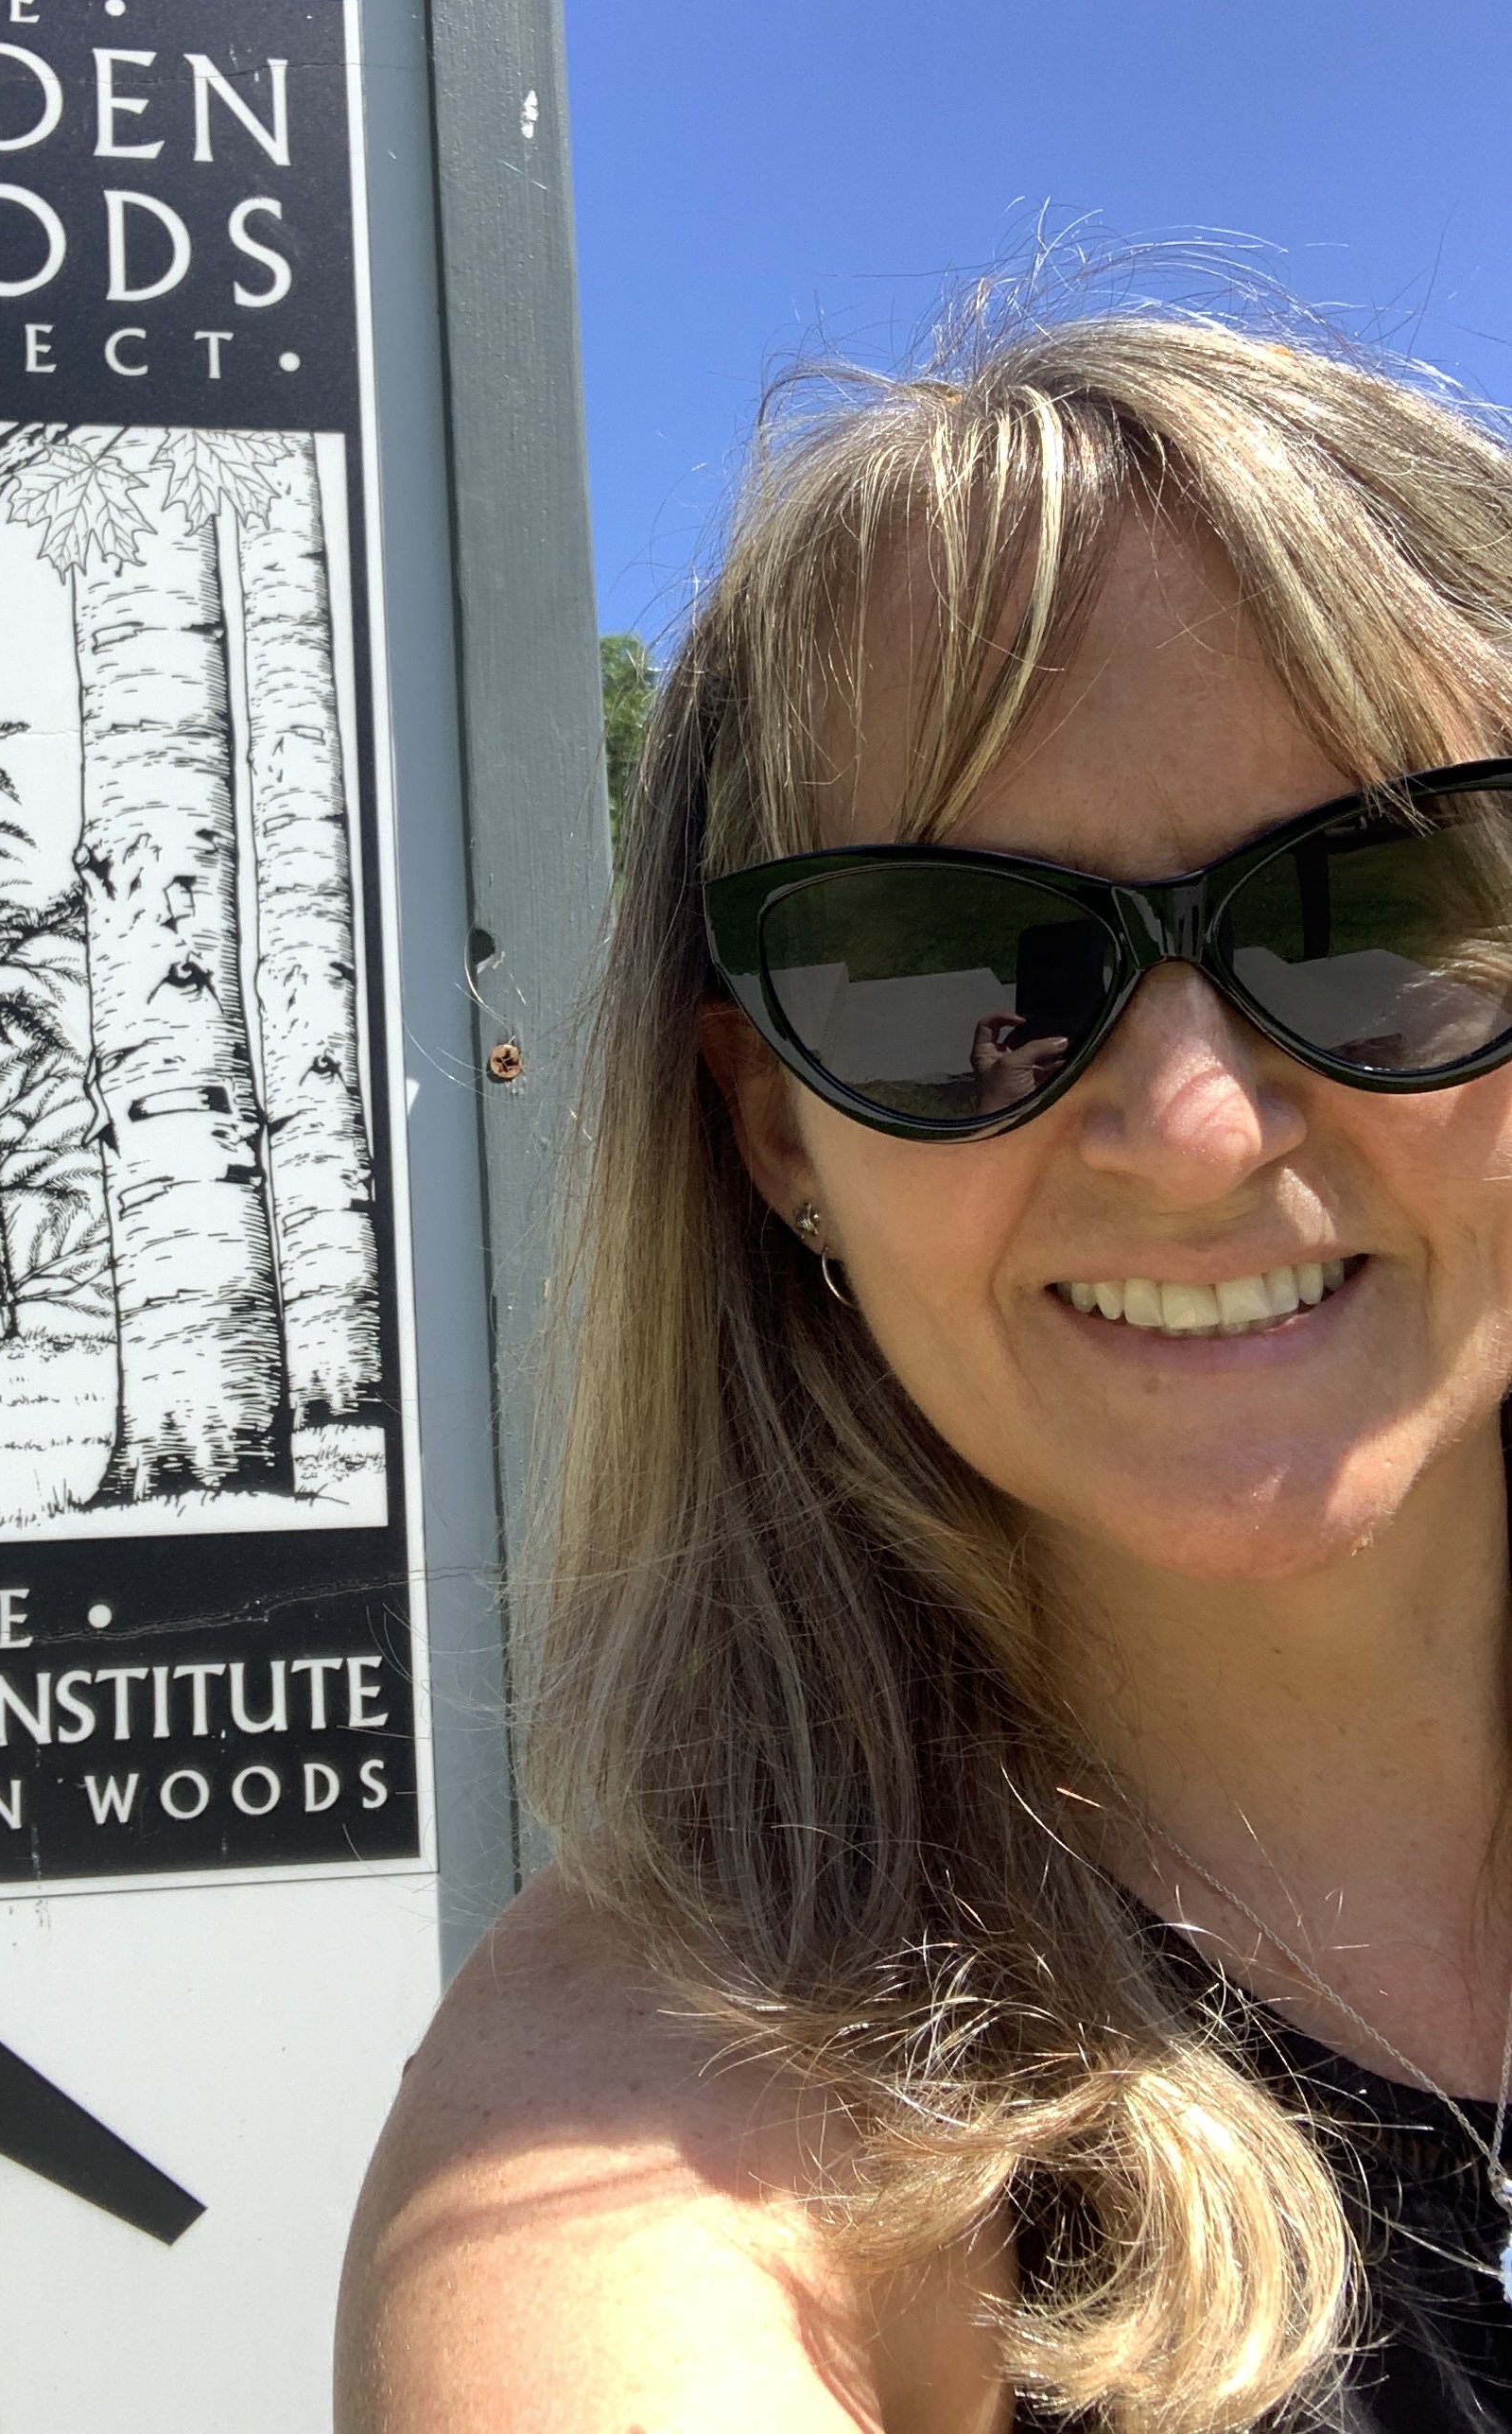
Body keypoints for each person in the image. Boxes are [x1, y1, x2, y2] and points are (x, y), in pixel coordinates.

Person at [336, 300, 1512, 2433]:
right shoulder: (643, 2146)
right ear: (776, 1131)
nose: (1196, 1129)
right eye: (948, 965)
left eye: (1374, 910)